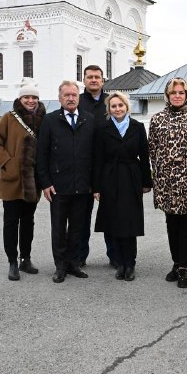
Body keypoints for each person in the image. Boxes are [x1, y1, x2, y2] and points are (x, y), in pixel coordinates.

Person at [148, 77, 187, 289]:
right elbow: (152, 150)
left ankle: (183, 268)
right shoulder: (157, 119)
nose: (177, 96)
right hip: (166, 183)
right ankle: (176, 262)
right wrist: (158, 177)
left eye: (181, 92)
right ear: (168, 95)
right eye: (174, 93)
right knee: (172, 225)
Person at [36, 80, 96, 283]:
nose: (71, 98)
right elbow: (41, 154)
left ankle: (73, 263)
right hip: (58, 186)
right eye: (66, 95)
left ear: (78, 97)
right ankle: (60, 265)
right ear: (59, 97)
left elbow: (95, 155)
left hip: (83, 185)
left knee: (78, 227)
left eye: (74, 95)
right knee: (59, 228)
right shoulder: (50, 120)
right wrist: (45, 183)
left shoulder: (89, 120)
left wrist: (94, 184)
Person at [0, 79, 47, 281]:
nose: (30, 101)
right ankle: (12, 261)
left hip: (33, 181)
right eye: (26, 97)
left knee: (28, 221)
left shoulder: (44, 119)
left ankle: (26, 259)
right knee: (11, 222)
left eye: (34, 97)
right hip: (11, 180)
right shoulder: (8, 118)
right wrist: (9, 164)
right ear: (20, 99)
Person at [92, 92, 152, 281]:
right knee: (113, 222)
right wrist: (96, 187)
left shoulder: (137, 127)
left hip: (131, 177)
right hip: (109, 177)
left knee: (130, 222)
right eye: (114, 106)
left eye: (121, 105)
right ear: (109, 110)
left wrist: (146, 182)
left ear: (127, 107)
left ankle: (130, 264)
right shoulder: (103, 128)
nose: (117, 109)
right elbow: (98, 159)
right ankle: (119, 262)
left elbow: (144, 155)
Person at [76, 64, 113, 268]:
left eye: (97, 77)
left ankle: (114, 255)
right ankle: (79, 256)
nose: (93, 80)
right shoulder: (78, 101)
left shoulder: (111, 102)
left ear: (102, 80)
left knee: (110, 213)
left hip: (107, 166)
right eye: (89, 77)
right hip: (83, 166)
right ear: (84, 80)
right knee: (81, 217)